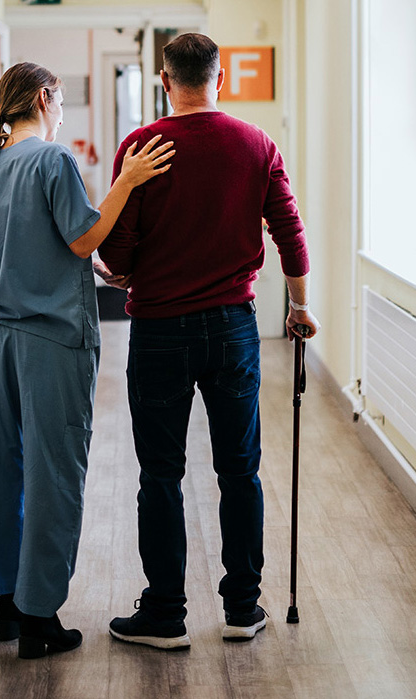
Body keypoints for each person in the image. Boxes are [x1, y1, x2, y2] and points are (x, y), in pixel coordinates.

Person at [99, 33, 321, 650]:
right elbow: (291, 236)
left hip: (159, 332)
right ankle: (243, 609)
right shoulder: (256, 145)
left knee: (161, 476)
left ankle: (167, 613)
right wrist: (299, 308)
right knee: (239, 471)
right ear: (220, 80)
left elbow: (117, 255)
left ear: (165, 82)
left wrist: (122, 267)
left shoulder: (142, 147)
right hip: (233, 328)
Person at [0, 62, 174, 660]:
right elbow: (83, 238)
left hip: (0, 337)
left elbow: (51, 243)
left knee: (7, 474)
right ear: (47, 97)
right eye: (58, 101)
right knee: (55, 475)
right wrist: (127, 180)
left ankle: (10, 603)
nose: (61, 111)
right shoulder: (52, 160)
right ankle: (39, 619)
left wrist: (91, 266)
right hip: (50, 341)